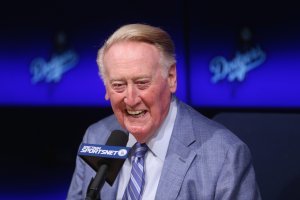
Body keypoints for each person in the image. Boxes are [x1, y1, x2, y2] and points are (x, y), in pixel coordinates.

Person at [67, 23, 261, 200]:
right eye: (118, 85)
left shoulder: (225, 156)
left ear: (171, 77)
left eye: (142, 83)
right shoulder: (95, 136)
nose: (131, 99)